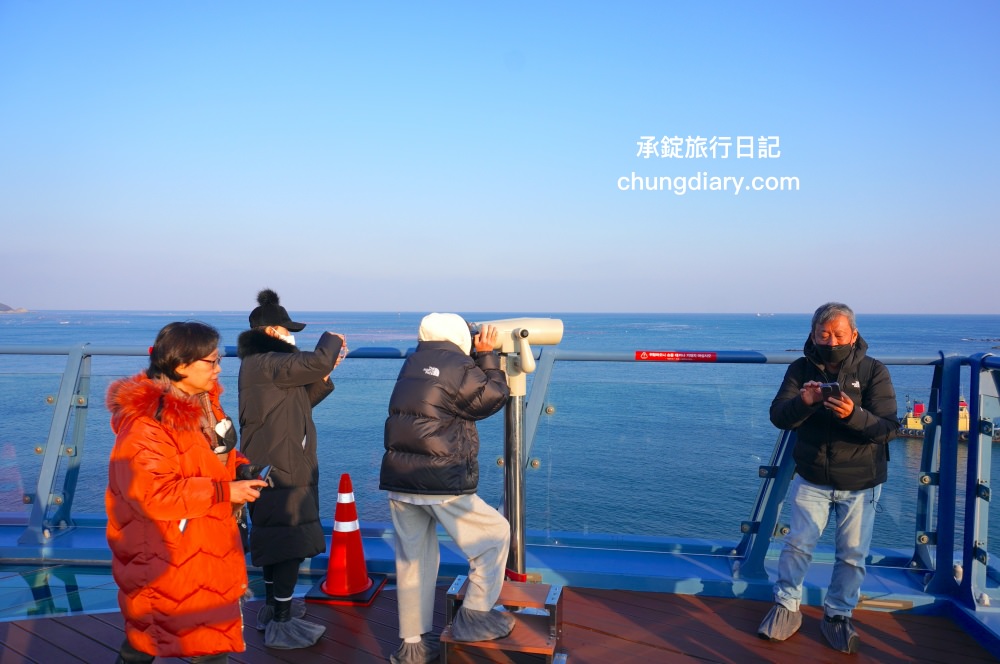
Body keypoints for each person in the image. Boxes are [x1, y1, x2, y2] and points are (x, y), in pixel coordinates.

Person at [106, 321, 268, 664]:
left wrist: (239, 469)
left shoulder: (202, 403)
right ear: (181, 366)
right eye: (210, 361)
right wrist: (226, 492)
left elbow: (206, 457)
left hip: (200, 542)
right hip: (167, 550)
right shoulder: (146, 425)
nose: (219, 368)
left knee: (182, 634)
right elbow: (151, 494)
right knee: (170, 636)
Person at [757, 302, 899, 654]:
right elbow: (779, 416)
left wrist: (853, 414)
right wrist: (804, 403)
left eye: (838, 333)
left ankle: (838, 613)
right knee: (797, 545)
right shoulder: (800, 368)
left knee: (852, 554)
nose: (831, 339)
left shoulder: (873, 371)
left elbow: (887, 428)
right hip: (812, 477)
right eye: (824, 333)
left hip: (862, 481)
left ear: (853, 335)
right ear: (813, 334)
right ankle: (787, 605)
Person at [380, 313, 515, 664]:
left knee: (414, 561)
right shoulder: (457, 363)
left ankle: (412, 647)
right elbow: (491, 397)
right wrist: (488, 358)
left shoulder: (415, 360)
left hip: (400, 477)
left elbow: (443, 392)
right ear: (458, 336)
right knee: (495, 535)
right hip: (439, 477)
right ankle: (474, 615)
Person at [236, 288, 346, 649]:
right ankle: (282, 621)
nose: (291, 337)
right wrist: (331, 342)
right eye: (287, 330)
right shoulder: (269, 361)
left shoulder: (261, 365)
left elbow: (300, 402)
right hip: (282, 463)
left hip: (271, 457)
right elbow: (317, 360)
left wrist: (323, 376)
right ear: (271, 332)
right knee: (288, 538)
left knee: (273, 533)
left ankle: (273, 609)